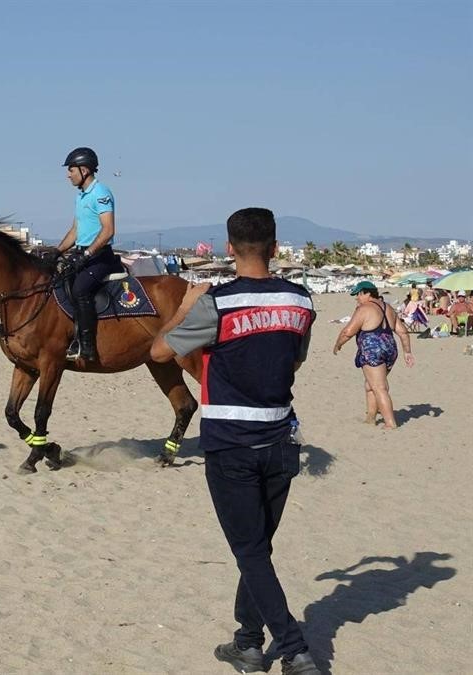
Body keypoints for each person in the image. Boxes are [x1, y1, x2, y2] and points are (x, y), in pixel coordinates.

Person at [150, 208, 321, 675]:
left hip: (231, 442)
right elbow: (295, 362)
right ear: (275, 247)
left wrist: (185, 307)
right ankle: (248, 642)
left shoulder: (218, 302)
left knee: (249, 551)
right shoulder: (301, 301)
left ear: (229, 248)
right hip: (281, 437)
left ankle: (293, 648)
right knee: (259, 547)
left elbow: (160, 351)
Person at [50, 146, 121, 361]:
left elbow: (108, 229)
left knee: (81, 289)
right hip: (84, 255)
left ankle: (87, 346)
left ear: (84, 170)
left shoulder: (100, 193)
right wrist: (56, 251)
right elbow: (75, 231)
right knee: (60, 283)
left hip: (100, 257)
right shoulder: (80, 197)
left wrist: (88, 254)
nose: (67, 174)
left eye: (71, 170)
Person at [333, 280, 414, 428]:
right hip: (390, 348)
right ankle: (371, 417)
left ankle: (390, 423)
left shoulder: (364, 308)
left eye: (358, 294)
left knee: (379, 387)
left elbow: (348, 332)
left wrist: (338, 344)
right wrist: (407, 352)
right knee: (370, 385)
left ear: (367, 293)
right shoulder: (388, 308)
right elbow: (402, 332)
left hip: (373, 349)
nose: (356, 298)